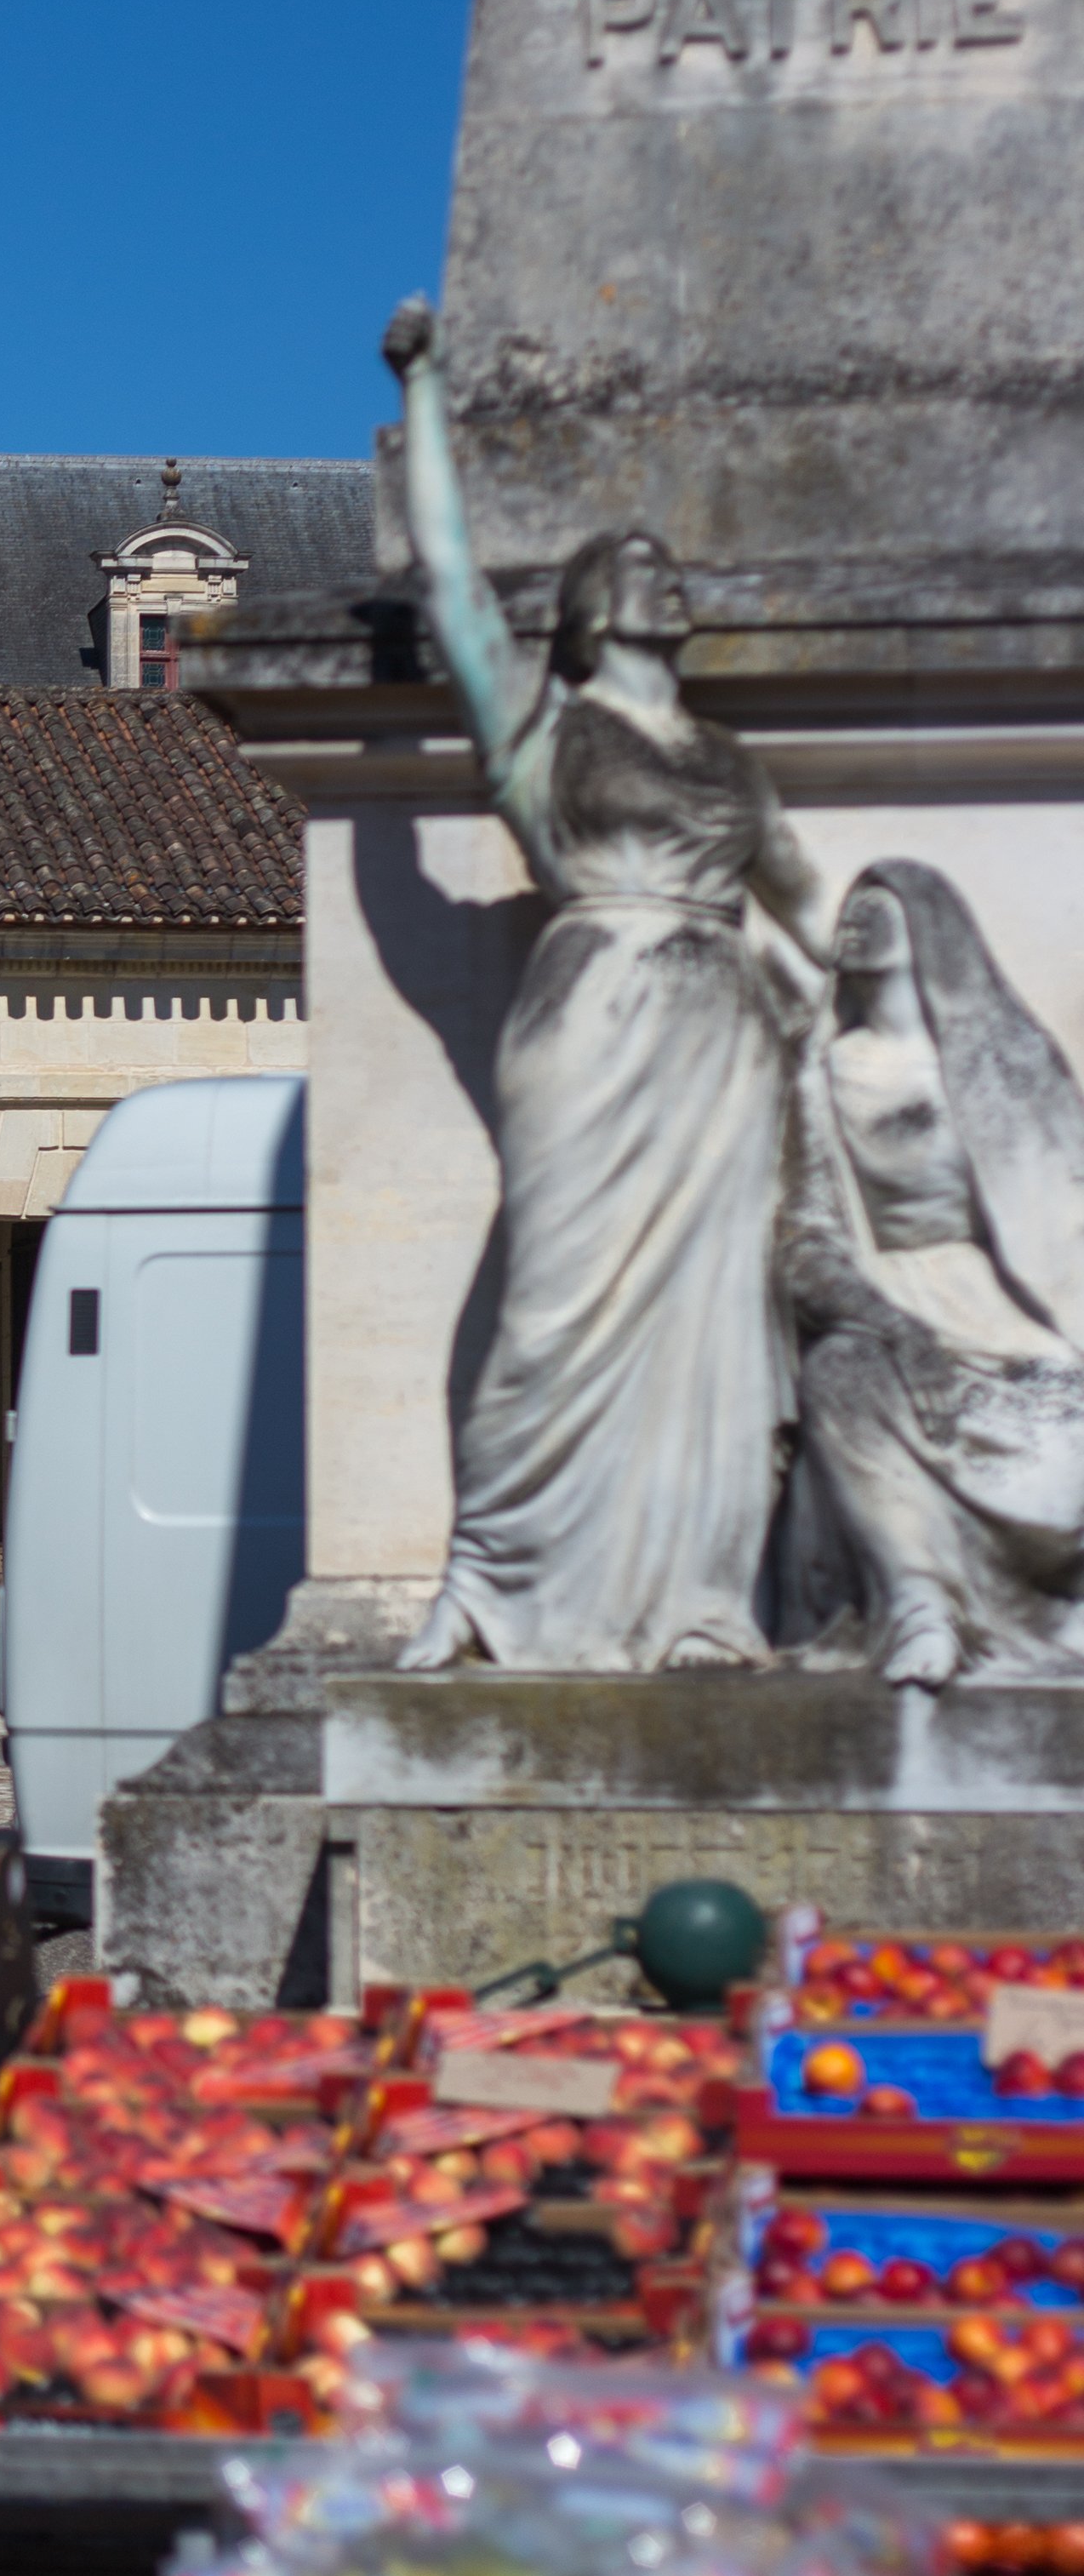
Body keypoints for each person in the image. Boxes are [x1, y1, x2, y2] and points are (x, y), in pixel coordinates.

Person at [384, 297, 835, 1671]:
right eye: (632, 562)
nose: (661, 574)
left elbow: (810, 907)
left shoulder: (727, 763)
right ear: (585, 611)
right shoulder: (544, 734)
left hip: (724, 1031)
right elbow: (453, 589)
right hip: (589, 1011)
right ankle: (489, 1573)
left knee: (722, 1328)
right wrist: (421, 388)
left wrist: (849, 1004)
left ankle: (699, 1599)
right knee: (550, 1308)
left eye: (665, 563)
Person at [781, 863, 1084, 1683]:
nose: (853, 919)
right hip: (891, 1299)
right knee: (838, 1371)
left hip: (1006, 1315)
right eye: (848, 906)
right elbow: (804, 1239)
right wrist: (891, 1323)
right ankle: (921, 1605)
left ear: (930, 930)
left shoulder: (1007, 1060)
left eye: (878, 907)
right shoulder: (821, 1071)